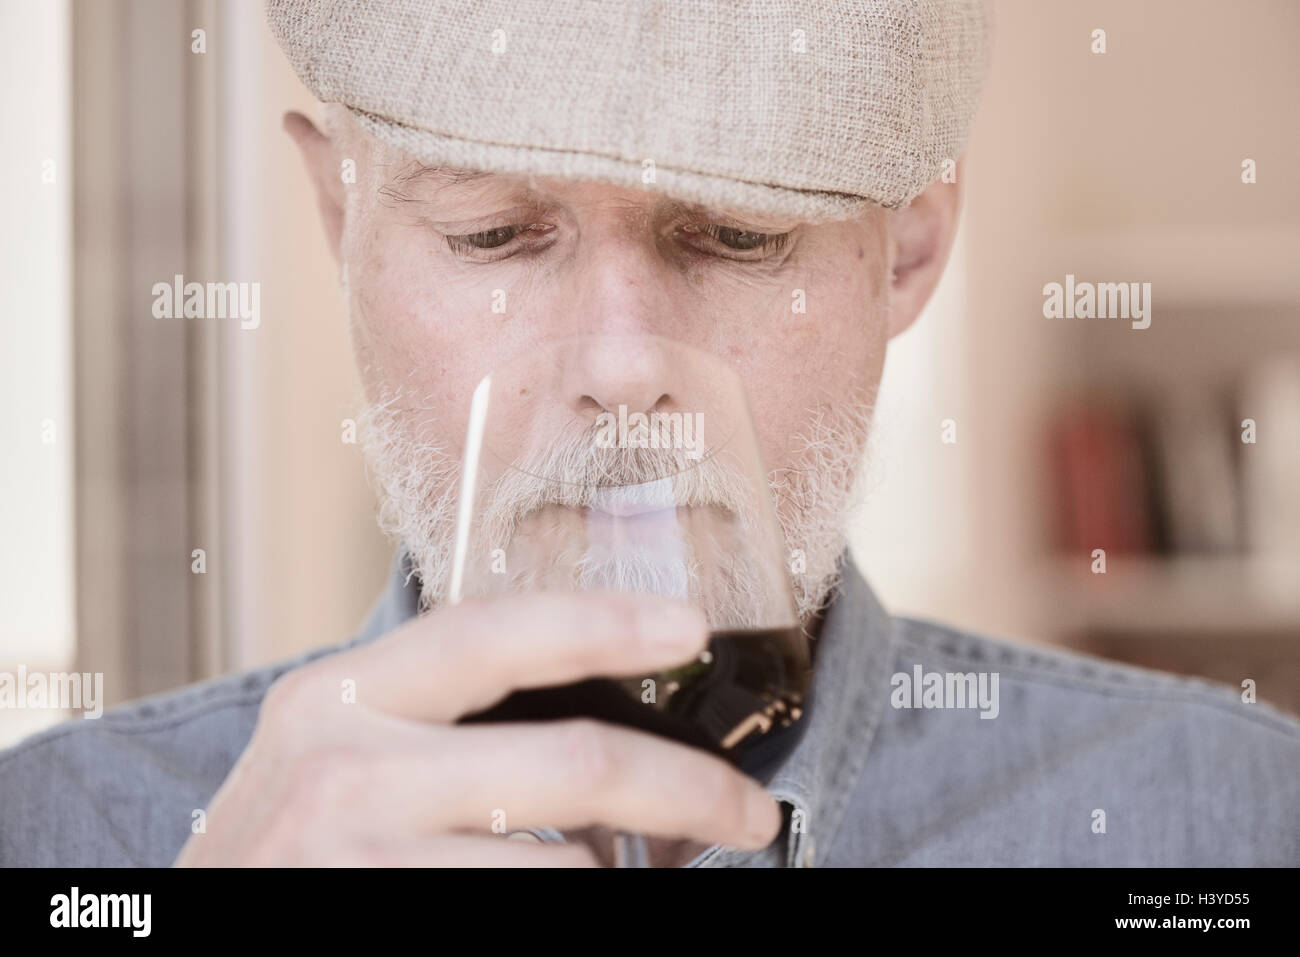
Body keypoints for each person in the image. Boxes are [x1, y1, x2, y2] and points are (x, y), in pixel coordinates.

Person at [1, 0, 1296, 868]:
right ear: (340, 219)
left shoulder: (1228, 826)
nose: (623, 366)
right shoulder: (59, 835)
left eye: (737, 235)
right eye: (494, 235)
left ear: (907, 249)